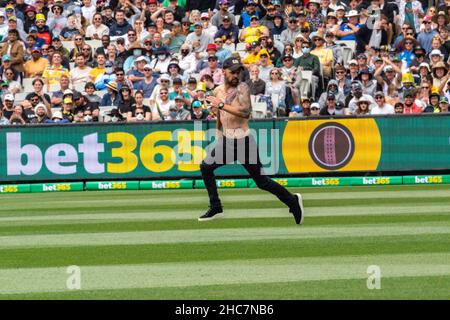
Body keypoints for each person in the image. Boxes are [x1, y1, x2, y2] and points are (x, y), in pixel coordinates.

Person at [198, 57, 304, 224]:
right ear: (223, 71)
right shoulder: (218, 91)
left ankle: (292, 200)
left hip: (243, 142)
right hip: (227, 140)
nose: (235, 75)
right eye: (232, 72)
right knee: (206, 167)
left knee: (262, 182)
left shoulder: (243, 88)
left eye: (238, 71)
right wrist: (218, 131)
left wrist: (220, 105)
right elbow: (220, 113)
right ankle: (216, 207)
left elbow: (245, 112)